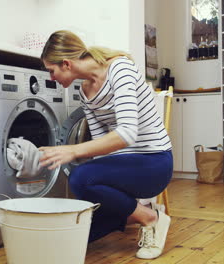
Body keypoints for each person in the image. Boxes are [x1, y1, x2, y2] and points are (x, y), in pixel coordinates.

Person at [38, 30, 173, 259]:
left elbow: (127, 133)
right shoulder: (85, 91)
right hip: (127, 165)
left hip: (154, 162)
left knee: (80, 177)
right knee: (78, 233)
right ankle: (138, 213)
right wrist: (101, 195)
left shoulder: (120, 70)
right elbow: (102, 145)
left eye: (52, 71)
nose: (51, 78)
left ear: (66, 63)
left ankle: (151, 219)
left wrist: (73, 151)